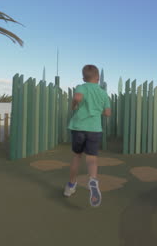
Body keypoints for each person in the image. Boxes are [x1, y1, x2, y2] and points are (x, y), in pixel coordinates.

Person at [64, 64, 111, 207]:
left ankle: (71, 186)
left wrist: (74, 105)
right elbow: (108, 113)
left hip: (79, 127)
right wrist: (97, 112)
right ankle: (93, 180)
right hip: (94, 129)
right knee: (92, 158)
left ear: (84, 78)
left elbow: (77, 98)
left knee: (77, 156)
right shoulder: (103, 93)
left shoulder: (81, 87)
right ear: (98, 78)